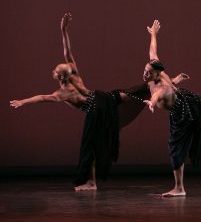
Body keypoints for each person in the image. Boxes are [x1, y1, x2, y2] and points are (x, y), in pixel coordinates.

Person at [10, 13, 187, 191]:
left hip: (97, 107)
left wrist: (23, 101)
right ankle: (170, 84)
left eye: (57, 69)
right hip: (105, 98)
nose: (58, 68)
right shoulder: (74, 77)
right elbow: (67, 53)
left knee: (90, 145)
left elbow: (43, 96)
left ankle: (91, 183)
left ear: (58, 76)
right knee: (139, 89)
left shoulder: (62, 93)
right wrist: (63, 30)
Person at [143, 20, 201, 197]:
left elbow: (157, 96)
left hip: (182, 113)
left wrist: (151, 103)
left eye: (149, 73)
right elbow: (153, 51)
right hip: (186, 98)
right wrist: (153, 34)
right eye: (145, 70)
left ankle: (179, 188)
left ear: (157, 75)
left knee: (175, 148)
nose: (145, 74)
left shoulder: (160, 87)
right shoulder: (158, 70)